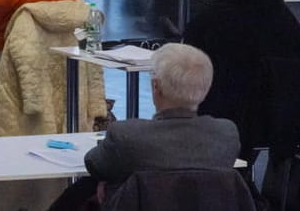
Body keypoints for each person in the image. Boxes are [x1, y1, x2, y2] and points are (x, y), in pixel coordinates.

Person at [75, 44, 240, 201]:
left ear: (156, 86)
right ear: (206, 88)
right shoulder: (226, 134)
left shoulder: (127, 135)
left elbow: (94, 164)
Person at [184, 0, 300, 156]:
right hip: (280, 115)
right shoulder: (282, 13)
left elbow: (188, 55)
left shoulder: (212, 16)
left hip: (223, 115)